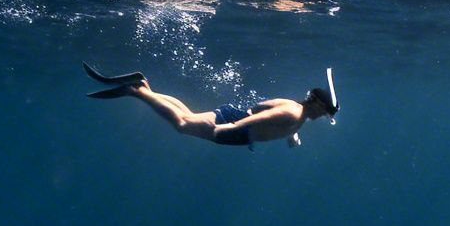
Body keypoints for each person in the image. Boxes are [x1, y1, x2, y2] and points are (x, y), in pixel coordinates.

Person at [83, 63, 336, 149]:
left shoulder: (296, 109)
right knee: (182, 124)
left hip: (235, 121)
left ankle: (144, 87)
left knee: (187, 116)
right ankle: (137, 91)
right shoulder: (294, 112)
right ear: (317, 105)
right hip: (235, 128)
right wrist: (229, 128)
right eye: (325, 113)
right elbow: (261, 119)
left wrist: (292, 132)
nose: (323, 118)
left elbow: (267, 112)